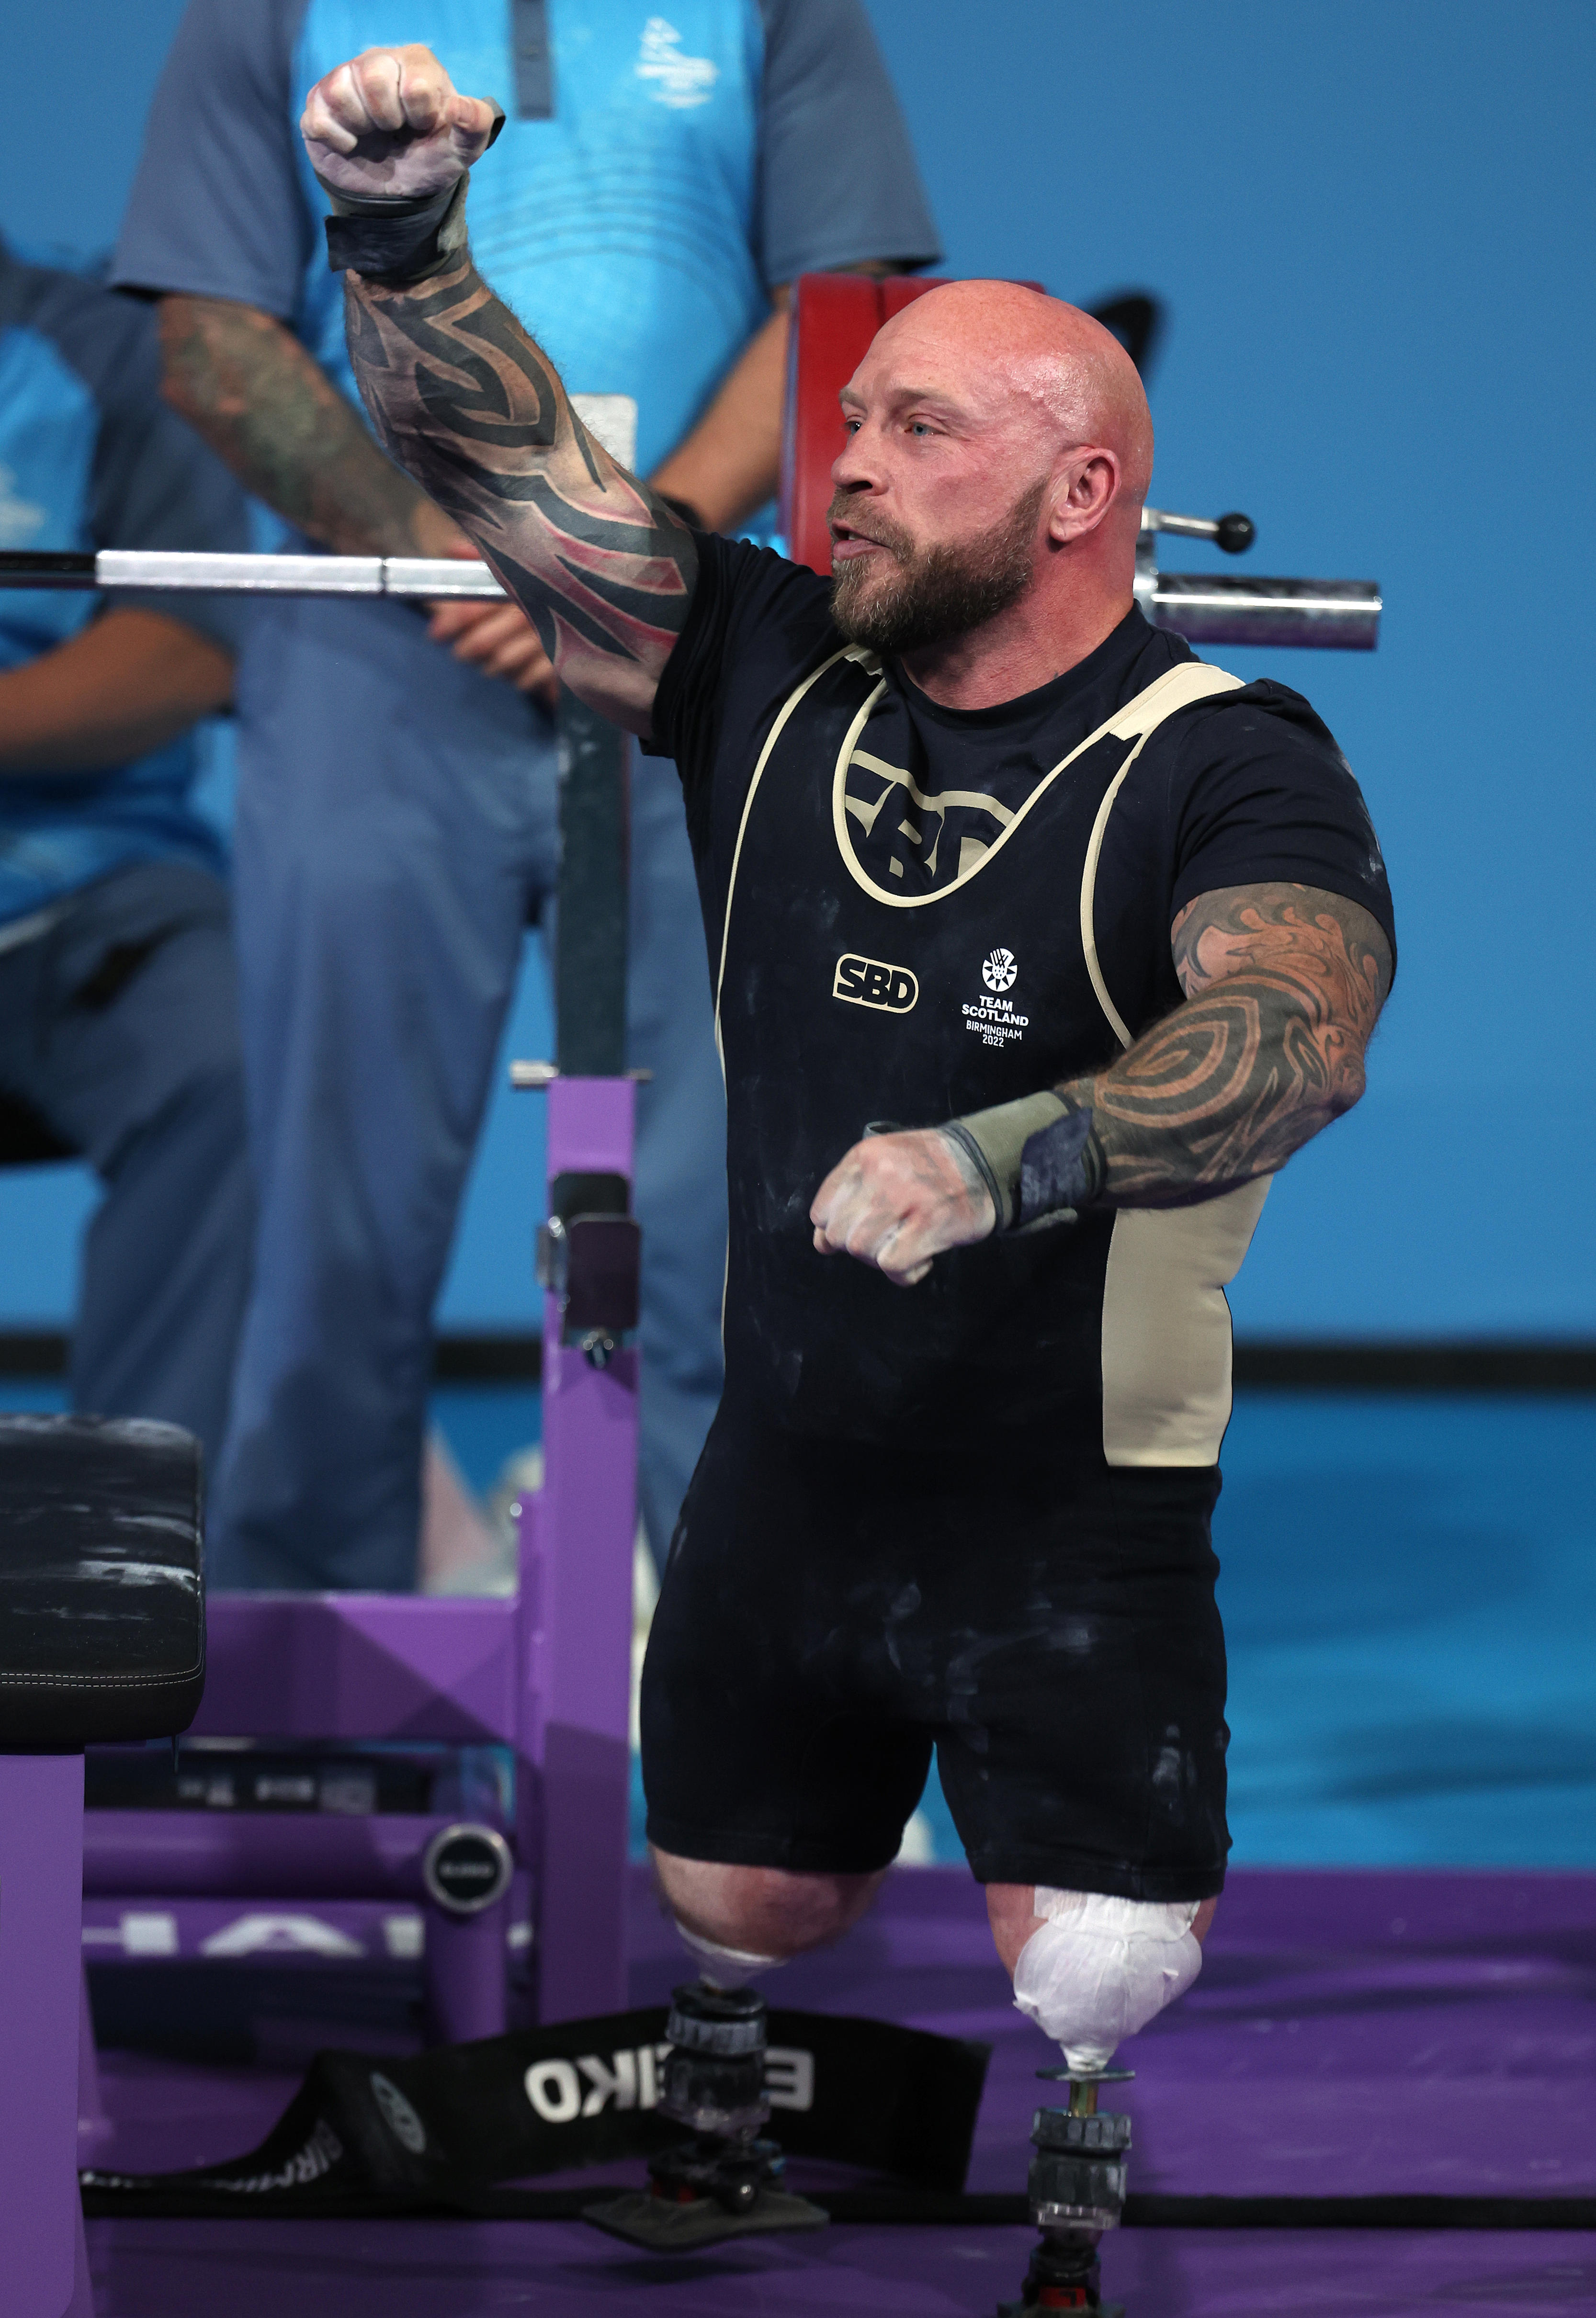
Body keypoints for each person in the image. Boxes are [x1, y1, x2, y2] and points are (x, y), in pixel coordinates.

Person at [292, 51, 1395, 2058]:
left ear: (1080, 496)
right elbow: (514, 474)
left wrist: (998, 1158)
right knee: (739, 1901)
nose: (845, 469)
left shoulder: (1224, 761)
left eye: (917, 429)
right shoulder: (763, 657)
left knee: (1091, 1966)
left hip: (1068, 1504)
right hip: (787, 1475)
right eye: (853, 420)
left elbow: (1290, 1036)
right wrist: (397, 240)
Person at [112, 1, 940, 1590]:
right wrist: (446, 553)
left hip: (697, 659)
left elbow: (842, 304)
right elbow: (210, 340)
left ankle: (741, 1671)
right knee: (329, 1233)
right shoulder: (264, 14)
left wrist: (630, 559)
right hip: (375, 666)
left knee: (724, 1219)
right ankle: (323, 1669)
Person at [0, 238, 253, 1469]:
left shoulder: (102, 354)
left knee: (240, 1060)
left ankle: (121, 1523)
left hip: (84, 892)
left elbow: (188, 645)